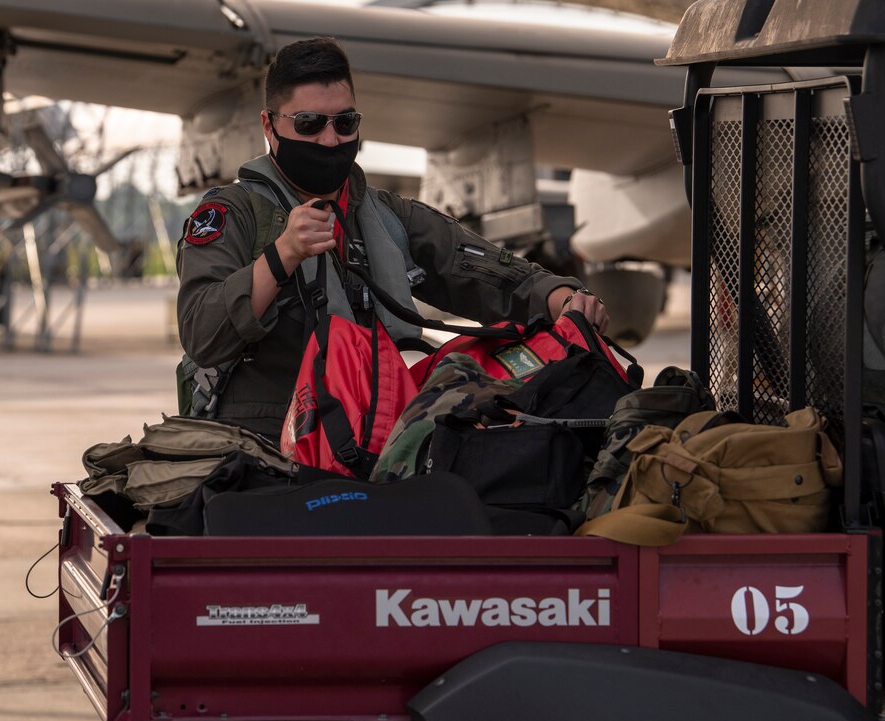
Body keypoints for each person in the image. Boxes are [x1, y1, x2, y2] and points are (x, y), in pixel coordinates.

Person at [176, 37, 609, 439]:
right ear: (269, 126)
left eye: (345, 122)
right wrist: (282, 255)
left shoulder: (386, 217)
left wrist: (563, 298)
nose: (330, 139)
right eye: (309, 123)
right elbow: (201, 333)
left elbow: (477, 268)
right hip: (261, 446)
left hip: (366, 435)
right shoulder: (233, 215)